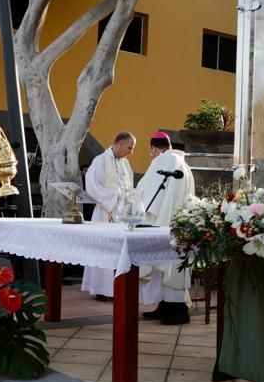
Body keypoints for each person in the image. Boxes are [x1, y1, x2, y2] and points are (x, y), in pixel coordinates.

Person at [138, 133, 194, 325]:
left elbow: (146, 190)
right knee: (171, 266)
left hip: (164, 221)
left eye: (151, 151)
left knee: (169, 264)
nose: (152, 155)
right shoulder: (182, 163)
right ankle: (166, 305)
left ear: (154, 148)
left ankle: (178, 310)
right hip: (176, 221)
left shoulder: (164, 160)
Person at [81, 132, 136, 299]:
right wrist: (113, 199)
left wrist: (128, 201)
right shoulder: (99, 161)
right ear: (119, 144)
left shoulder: (126, 164)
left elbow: (130, 187)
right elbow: (92, 186)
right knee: (102, 250)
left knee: (119, 252)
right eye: (130, 147)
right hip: (105, 212)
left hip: (121, 216)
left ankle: (116, 287)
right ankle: (101, 289)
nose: (131, 152)